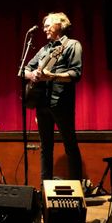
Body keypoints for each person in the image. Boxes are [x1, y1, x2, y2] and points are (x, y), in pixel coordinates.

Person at [24, 12, 83, 184]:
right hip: (42, 104)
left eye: (48, 25)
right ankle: (45, 188)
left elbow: (75, 74)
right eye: (44, 26)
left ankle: (76, 189)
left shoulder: (72, 45)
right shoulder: (44, 49)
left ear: (60, 25)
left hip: (61, 103)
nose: (45, 29)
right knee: (45, 148)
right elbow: (24, 70)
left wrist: (52, 76)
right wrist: (33, 74)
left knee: (70, 145)